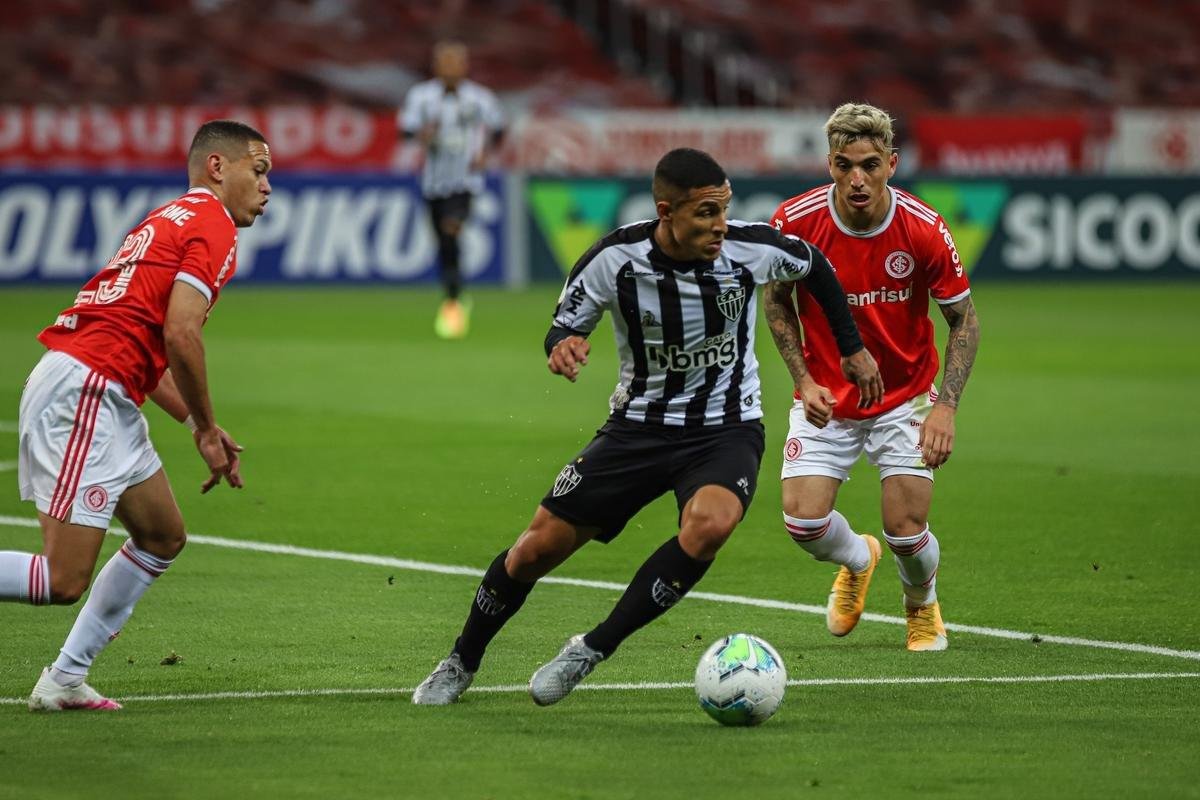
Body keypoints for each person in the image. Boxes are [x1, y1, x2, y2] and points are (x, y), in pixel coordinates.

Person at [411, 147, 883, 706]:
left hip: (725, 428)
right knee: (534, 551)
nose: (719, 225)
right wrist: (562, 345)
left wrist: (850, 352)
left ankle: (590, 649)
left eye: (724, 210)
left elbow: (817, 268)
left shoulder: (748, 249)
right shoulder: (615, 259)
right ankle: (462, 661)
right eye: (705, 213)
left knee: (709, 527)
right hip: (637, 428)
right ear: (667, 211)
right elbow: (564, 323)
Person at [0, 119, 272, 710]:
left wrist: (197, 424)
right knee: (61, 579)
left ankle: (65, 679)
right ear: (217, 168)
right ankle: (64, 677)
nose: (268, 185)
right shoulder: (213, 225)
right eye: (259, 169)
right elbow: (180, 333)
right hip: (86, 392)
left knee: (161, 535)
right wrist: (202, 427)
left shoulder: (170, 217)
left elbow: (146, 342)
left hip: (108, 389)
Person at [765, 102, 980, 652]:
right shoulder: (795, 222)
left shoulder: (924, 228)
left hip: (905, 397)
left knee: (907, 532)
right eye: (843, 165)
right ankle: (858, 559)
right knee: (803, 525)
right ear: (829, 163)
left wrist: (946, 406)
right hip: (827, 398)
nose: (856, 179)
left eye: (869, 165)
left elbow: (962, 320)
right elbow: (777, 303)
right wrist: (804, 378)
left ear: (892, 162)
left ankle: (921, 606)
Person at [399, 39, 506, 339]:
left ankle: (454, 302)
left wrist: (486, 152)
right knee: (444, 244)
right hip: (433, 181)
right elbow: (405, 130)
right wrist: (423, 134)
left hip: (465, 181)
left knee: (451, 229)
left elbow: (498, 127)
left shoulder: (480, 98)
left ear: (464, 66)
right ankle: (454, 296)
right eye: (444, 62)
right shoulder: (421, 96)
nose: (449, 68)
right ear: (436, 66)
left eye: (454, 62)